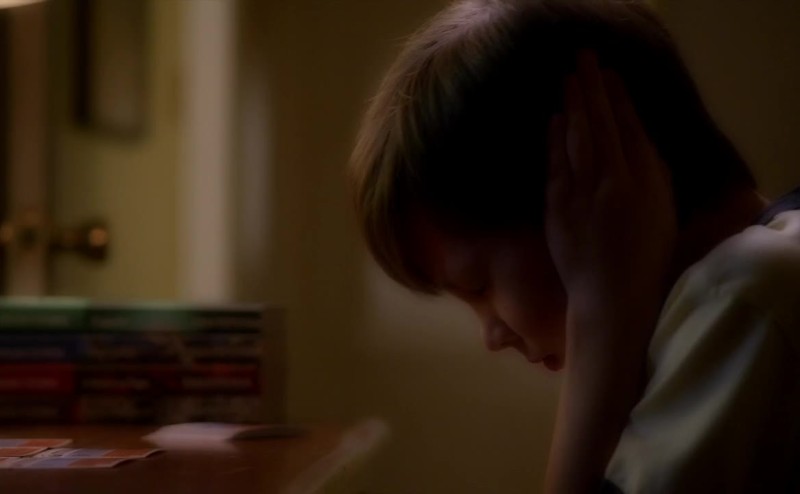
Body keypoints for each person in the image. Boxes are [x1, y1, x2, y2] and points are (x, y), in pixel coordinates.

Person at [348, 0, 800, 492]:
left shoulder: (742, 296)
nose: (491, 336)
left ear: (590, 176)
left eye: (478, 285)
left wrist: (600, 319)